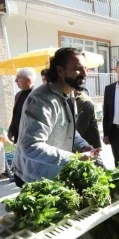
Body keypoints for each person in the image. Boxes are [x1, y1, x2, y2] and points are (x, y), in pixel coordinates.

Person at [12, 47, 95, 187]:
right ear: (60, 71)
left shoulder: (68, 95)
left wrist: (82, 146)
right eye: (78, 68)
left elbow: (68, 128)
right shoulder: (42, 99)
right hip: (34, 178)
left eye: (86, 68)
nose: (85, 74)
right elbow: (31, 146)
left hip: (53, 174)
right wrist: (75, 158)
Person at [102, 60, 119, 162]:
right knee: (118, 160)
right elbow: (106, 112)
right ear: (116, 70)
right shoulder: (109, 89)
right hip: (115, 132)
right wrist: (106, 134)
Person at [7, 68, 36, 144]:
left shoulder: (37, 96)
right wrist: (11, 129)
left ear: (28, 80)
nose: (15, 80)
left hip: (31, 138)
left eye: (18, 78)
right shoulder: (18, 95)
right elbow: (16, 114)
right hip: (19, 137)